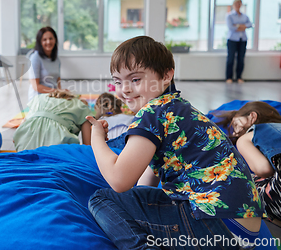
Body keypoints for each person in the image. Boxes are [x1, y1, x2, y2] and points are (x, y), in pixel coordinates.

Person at [87, 36, 264, 249]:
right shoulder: (179, 107)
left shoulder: (151, 112)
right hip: (245, 231)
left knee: (100, 200)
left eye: (135, 80)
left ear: (166, 75)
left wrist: (95, 137)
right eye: (118, 81)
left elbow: (118, 180)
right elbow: (145, 183)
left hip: (214, 221)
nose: (124, 89)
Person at [216, 102, 281, 225]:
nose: (235, 133)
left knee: (238, 183)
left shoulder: (248, 136)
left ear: (253, 116)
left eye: (235, 124)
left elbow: (264, 169)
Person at [13, 90, 92, 152]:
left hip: (24, 145)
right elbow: (88, 146)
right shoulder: (82, 106)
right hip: (58, 149)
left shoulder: (38, 99)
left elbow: (21, 127)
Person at [28, 27, 61, 102]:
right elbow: (36, 86)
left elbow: (58, 82)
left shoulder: (57, 59)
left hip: (53, 96)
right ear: (40, 42)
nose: (48, 42)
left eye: (51, 38)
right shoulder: (35, 58)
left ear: (55, 40)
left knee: (80, 103)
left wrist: (63, 93)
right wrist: (57, 92)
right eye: (44, 40)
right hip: (39, 99)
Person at [226, 0, 253, 84]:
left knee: (241, 59)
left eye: (239, 4)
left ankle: (239, 77)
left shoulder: (245, 16)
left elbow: (250, 25)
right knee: (231, 59)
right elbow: (231, 27)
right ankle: (229, 77)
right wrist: (242, 26)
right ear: (233, 5)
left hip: (242, 39)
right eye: (236, 4)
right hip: (232, 39)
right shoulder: (229, 15)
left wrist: (238, 25)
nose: (238, 5)